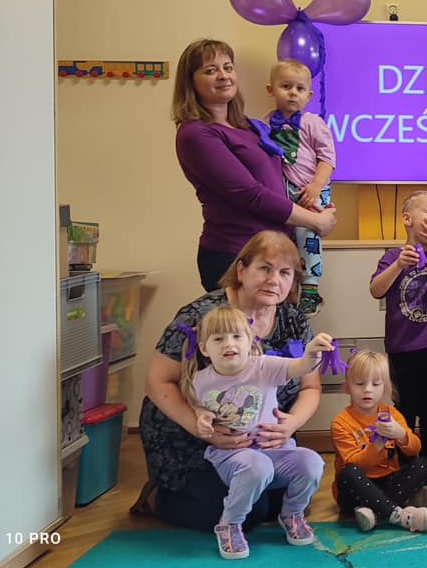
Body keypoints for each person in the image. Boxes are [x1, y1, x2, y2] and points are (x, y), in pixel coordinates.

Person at [136, 230, 323, 532]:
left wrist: (291, 424)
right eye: (264, 268)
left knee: (287, 495)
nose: (274, 280)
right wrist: (203, 429)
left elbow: (311, 387)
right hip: (192, 437)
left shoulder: (294, 320)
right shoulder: (201, 315)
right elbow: (157, 382)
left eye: (284, 273)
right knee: (251, 513)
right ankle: (157, 497)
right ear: (241, 270)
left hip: (259, 443)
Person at [170, 39, 336, 292]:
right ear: (190, 81)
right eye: (211, 70)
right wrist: (315, 221)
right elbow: (250, 194)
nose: (223, 76)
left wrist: (315, 203)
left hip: (275, 252)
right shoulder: (196, 134)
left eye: (228, 67)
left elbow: (282, 176)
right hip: (236, 253)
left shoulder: (248, 125)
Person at [180, 306, 331, 559]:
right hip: (232, 456)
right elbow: (199, 408)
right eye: (219, 339)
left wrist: (312, 352)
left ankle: (292, 514)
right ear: (205, 348)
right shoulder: (200, 380)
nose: (229, 344)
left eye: (236, 336)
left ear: (250, 340)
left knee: (312, 463)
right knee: (258, 466)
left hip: (274, 451)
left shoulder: (264, 366)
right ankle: (229, 524)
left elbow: (301, 366)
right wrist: (203, 418)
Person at [368, 190, 427, 484]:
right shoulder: (391, 256)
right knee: (405, 407)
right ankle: (406, 461)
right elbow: (376, 290)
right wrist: (398, 265)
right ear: (407, 219)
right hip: (401, 348)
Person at [261, 60, 336, 314]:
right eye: (286, 86)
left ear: (309, 95)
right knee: (280, 239)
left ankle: (311, 288)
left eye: (300, 88)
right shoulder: (265, 124)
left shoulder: (313, 123)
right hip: (283, 191)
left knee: (308, 234)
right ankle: (284, 286)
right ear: (271, 90)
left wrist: (316, 186)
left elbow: (328, 159)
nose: (293, 93)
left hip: (310, 189)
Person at [331, 349, 427, 533]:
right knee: (348, 473)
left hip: (388, 482)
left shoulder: (391, 413)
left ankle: (374, 511)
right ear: (347, 387)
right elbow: (355, 466)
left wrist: (401, 434)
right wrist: (377, 444)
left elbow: (414, 449)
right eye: (360, 383)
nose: (367, 389)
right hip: (355, 490)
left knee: (425, 465)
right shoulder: (341, 422)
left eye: (375, 384)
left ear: (385, 387)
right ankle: (398, 515)